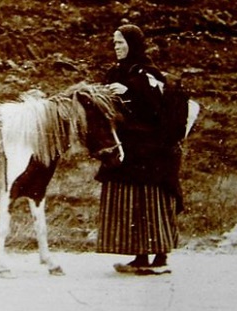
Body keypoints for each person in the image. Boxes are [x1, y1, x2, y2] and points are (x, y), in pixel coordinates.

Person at [95, 24, 183, 274]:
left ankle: (160, 255)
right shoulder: (115, 72)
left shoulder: (148, 72)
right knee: (133, 200)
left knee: (151, 198)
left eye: (121, 43)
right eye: (114, 43)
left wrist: (129, 91)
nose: (116, 47)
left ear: (133, 44)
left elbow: (157, 109)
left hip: (152, 150)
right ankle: (141, 255)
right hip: (128, 147)